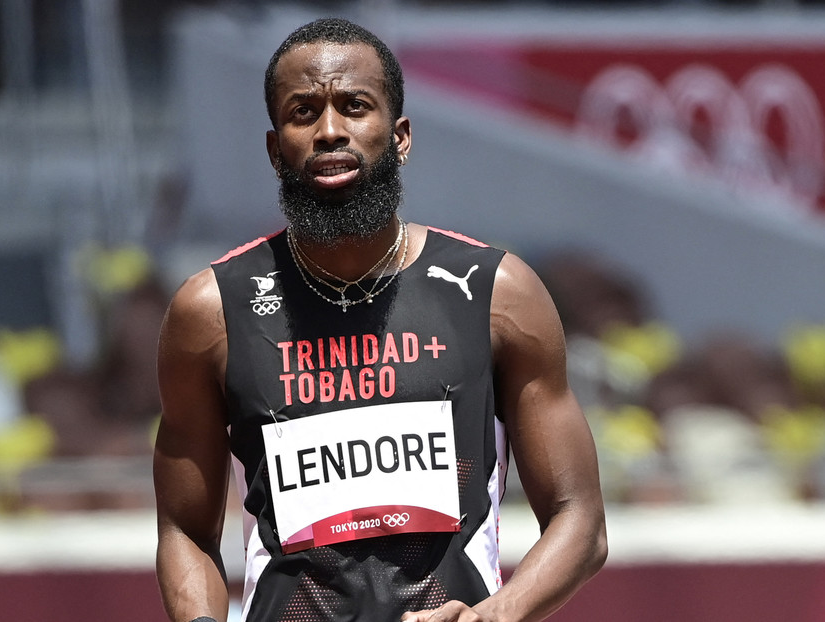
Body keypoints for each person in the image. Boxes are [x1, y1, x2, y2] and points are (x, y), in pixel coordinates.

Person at [154, 17, 606, 622]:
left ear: (400, 137)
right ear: (273, 147)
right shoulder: (210, 313)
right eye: (303, 112)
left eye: (354, 106)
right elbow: (185, 528)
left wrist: (491, 617)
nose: (330, 130)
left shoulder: (496, 293)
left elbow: (581, 521)